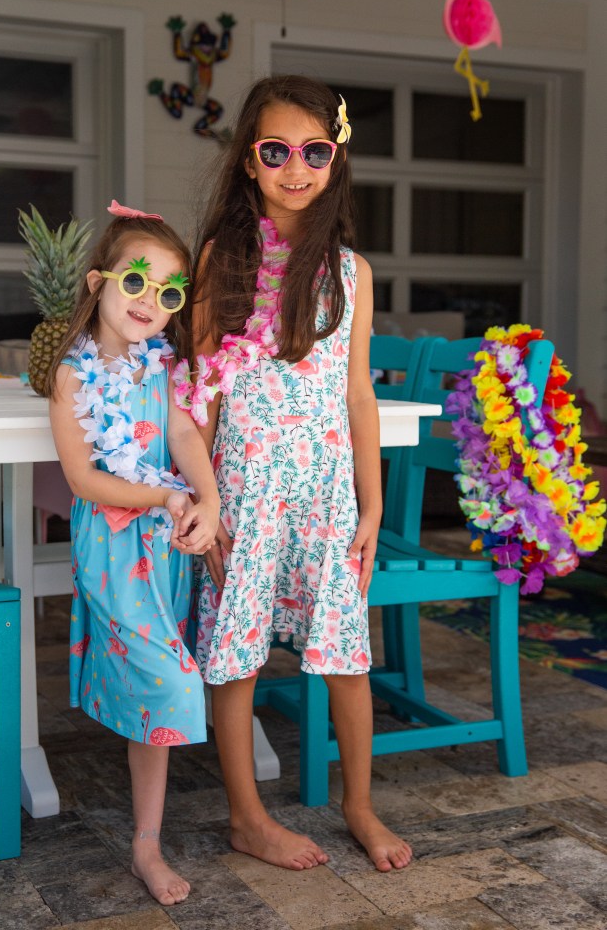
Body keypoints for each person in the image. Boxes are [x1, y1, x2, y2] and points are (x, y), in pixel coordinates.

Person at [174, 76, 413, 873]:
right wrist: (204, 496)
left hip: (324, 495)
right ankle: (246, 815)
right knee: (235, 654)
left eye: (314, 151)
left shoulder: (351, 272)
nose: (295, 168)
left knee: (345, 657)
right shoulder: (221, 259)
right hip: (243, 489)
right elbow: (201, 391)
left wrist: (370, 503)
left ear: (334, 158)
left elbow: (357, 393)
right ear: (250, 161)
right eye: (276, 151)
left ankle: (358, 804)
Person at [48, 201, 220, 906]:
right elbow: (82, 478)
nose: (152, 302)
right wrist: (165, 500)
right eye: (137, 282)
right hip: (117, 548)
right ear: (97, 282)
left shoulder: (170, 365)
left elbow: (183, 441)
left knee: (153, 699)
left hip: (171, 547)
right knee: (171, 683)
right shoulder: (69, 375)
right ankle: (146, 844)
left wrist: (204, 499)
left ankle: (144, 843)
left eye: (168, 292)